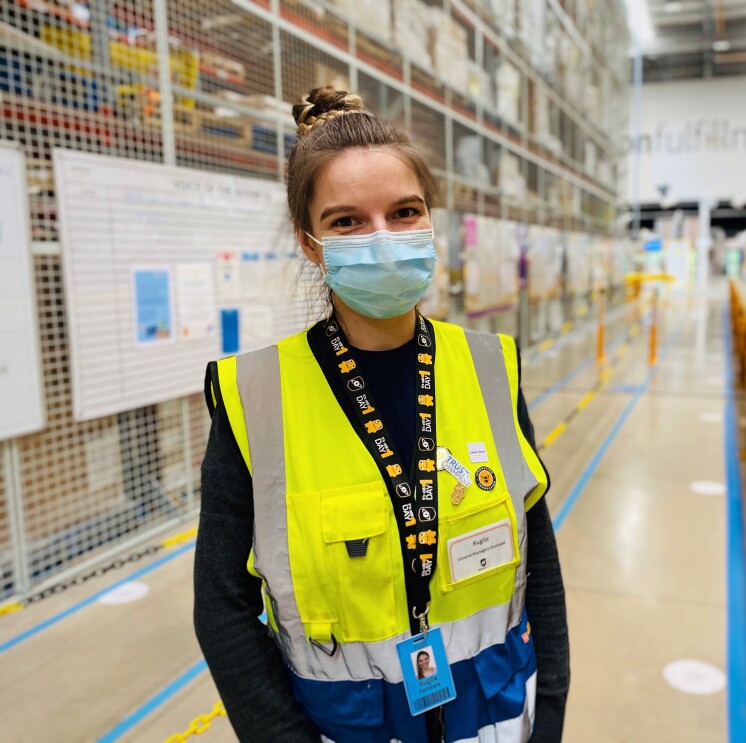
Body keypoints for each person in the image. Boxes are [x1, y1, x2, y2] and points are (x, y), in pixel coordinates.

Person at [193, 86, 570, 743]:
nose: (384, 240)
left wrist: (551, 714)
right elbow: (221, 606)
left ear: (430, 220)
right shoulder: (255, 395)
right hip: (345, 728)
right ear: (311, 244)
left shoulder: (489, 366)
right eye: (346, 222)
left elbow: (539, 558)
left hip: (497, 715)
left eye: (404, 212)